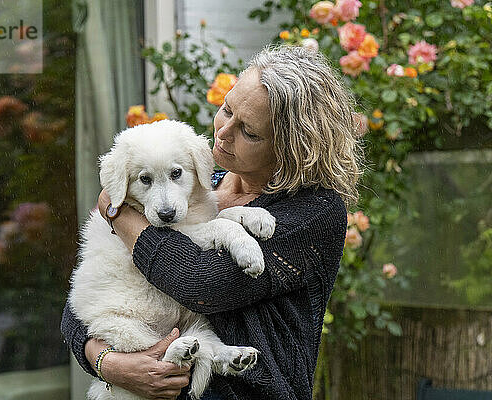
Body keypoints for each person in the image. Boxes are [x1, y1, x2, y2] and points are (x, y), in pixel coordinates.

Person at [61, 44, 363, 400]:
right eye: (227, 109)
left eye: (248, 131)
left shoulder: (312, 212)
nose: (223, 132)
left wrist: (119, 213)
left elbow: (199, 284)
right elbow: (77, 309)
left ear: (291, 147)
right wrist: (111, 365)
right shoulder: (200, 187)